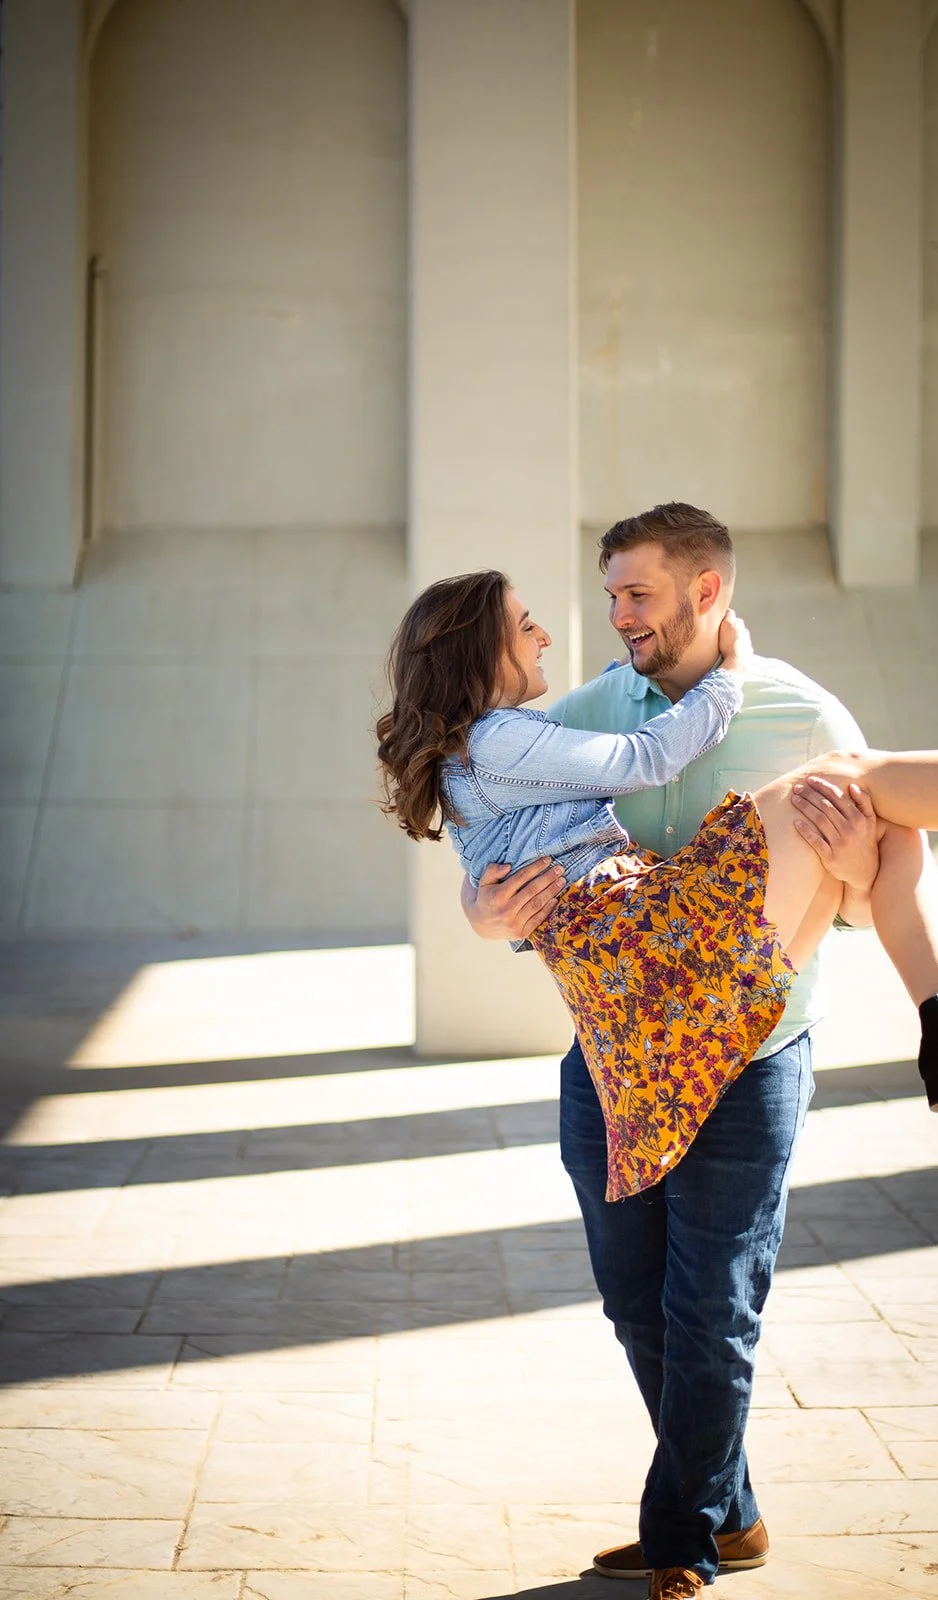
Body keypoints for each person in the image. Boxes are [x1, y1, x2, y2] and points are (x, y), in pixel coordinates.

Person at [379, 505, 938, 1600]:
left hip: (751, 1045)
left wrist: (857, 877)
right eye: (609, 596)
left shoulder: (802, 710)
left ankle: (680, 1532)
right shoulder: (576, 711)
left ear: (706, 592)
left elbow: (874, 883)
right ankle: (725, 1510)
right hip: (616, 1043)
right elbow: (491, 833)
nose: (612, 616)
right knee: (637, 1301)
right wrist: (483, 913)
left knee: (710, 1309)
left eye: (636, 594)